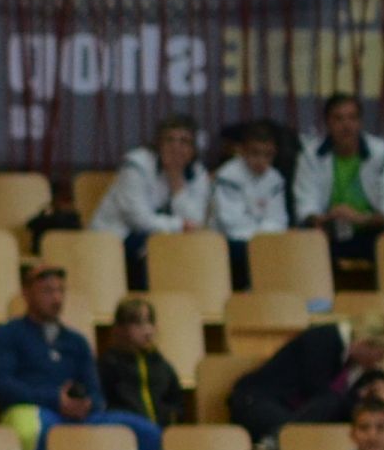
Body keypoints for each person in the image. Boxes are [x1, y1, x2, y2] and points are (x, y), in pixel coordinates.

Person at [0, 260, 165, 450]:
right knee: (32, 431)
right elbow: (1, 384)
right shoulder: (8, 335)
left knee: (147, 432)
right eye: (47, 291)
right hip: (32, 409)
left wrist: (85, 404)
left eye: (60, 291)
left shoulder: (76, 341)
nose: (56, 298)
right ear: (27, 293)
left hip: (78, 415)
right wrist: (54, 399)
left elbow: (95, 392)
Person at [229, 310, 384, 447]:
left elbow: (375, 378)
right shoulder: (322, 340)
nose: (377, 363)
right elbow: (318, 393)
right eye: (378, 356)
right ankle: (275, 442)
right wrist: (357, 397)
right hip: (255, 401)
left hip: (290, 411)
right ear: (364, 343)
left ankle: (275, 442)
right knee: (323, 412)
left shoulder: (354, 362)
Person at [89, 114, 216, 290]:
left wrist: (176, 180)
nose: (176, 147)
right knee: (156, 250)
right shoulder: (137, 165)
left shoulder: (197, 173)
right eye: (169, 140)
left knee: (203, 246)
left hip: (164, 236)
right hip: (117, 236)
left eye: (184, 141)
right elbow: (138, 220)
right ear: (158, 144)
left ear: (193, 149)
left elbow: (195, 220)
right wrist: (179, 225)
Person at [291, 94, 384, 277]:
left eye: (352, 118)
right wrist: (325, 219)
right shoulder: (310, 156)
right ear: (327, 123)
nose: (346, 125)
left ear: (360, 122)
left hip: (372, 233)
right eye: (338, 119)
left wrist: (361, 219)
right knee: (304, 243)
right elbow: (305, 206)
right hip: (328, 235)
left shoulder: (383, 154)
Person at [209, 119, 293, 271]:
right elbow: (231, 223)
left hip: (264, 243)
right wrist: (260, 240)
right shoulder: (228, 175)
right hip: (229, 244)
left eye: (268, 155)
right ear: (242, 151)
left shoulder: (275, 179)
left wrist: (263, 240)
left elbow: (278, 219)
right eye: (255, 153)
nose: (261, 160)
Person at [96, 296, 191, 431]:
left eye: (150, 322)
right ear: (121, 329)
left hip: (163, 434)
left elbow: (176, 404)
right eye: (139, 324)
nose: (147, 331)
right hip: (126, 435)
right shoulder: (108, 365)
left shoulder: (162, 366)